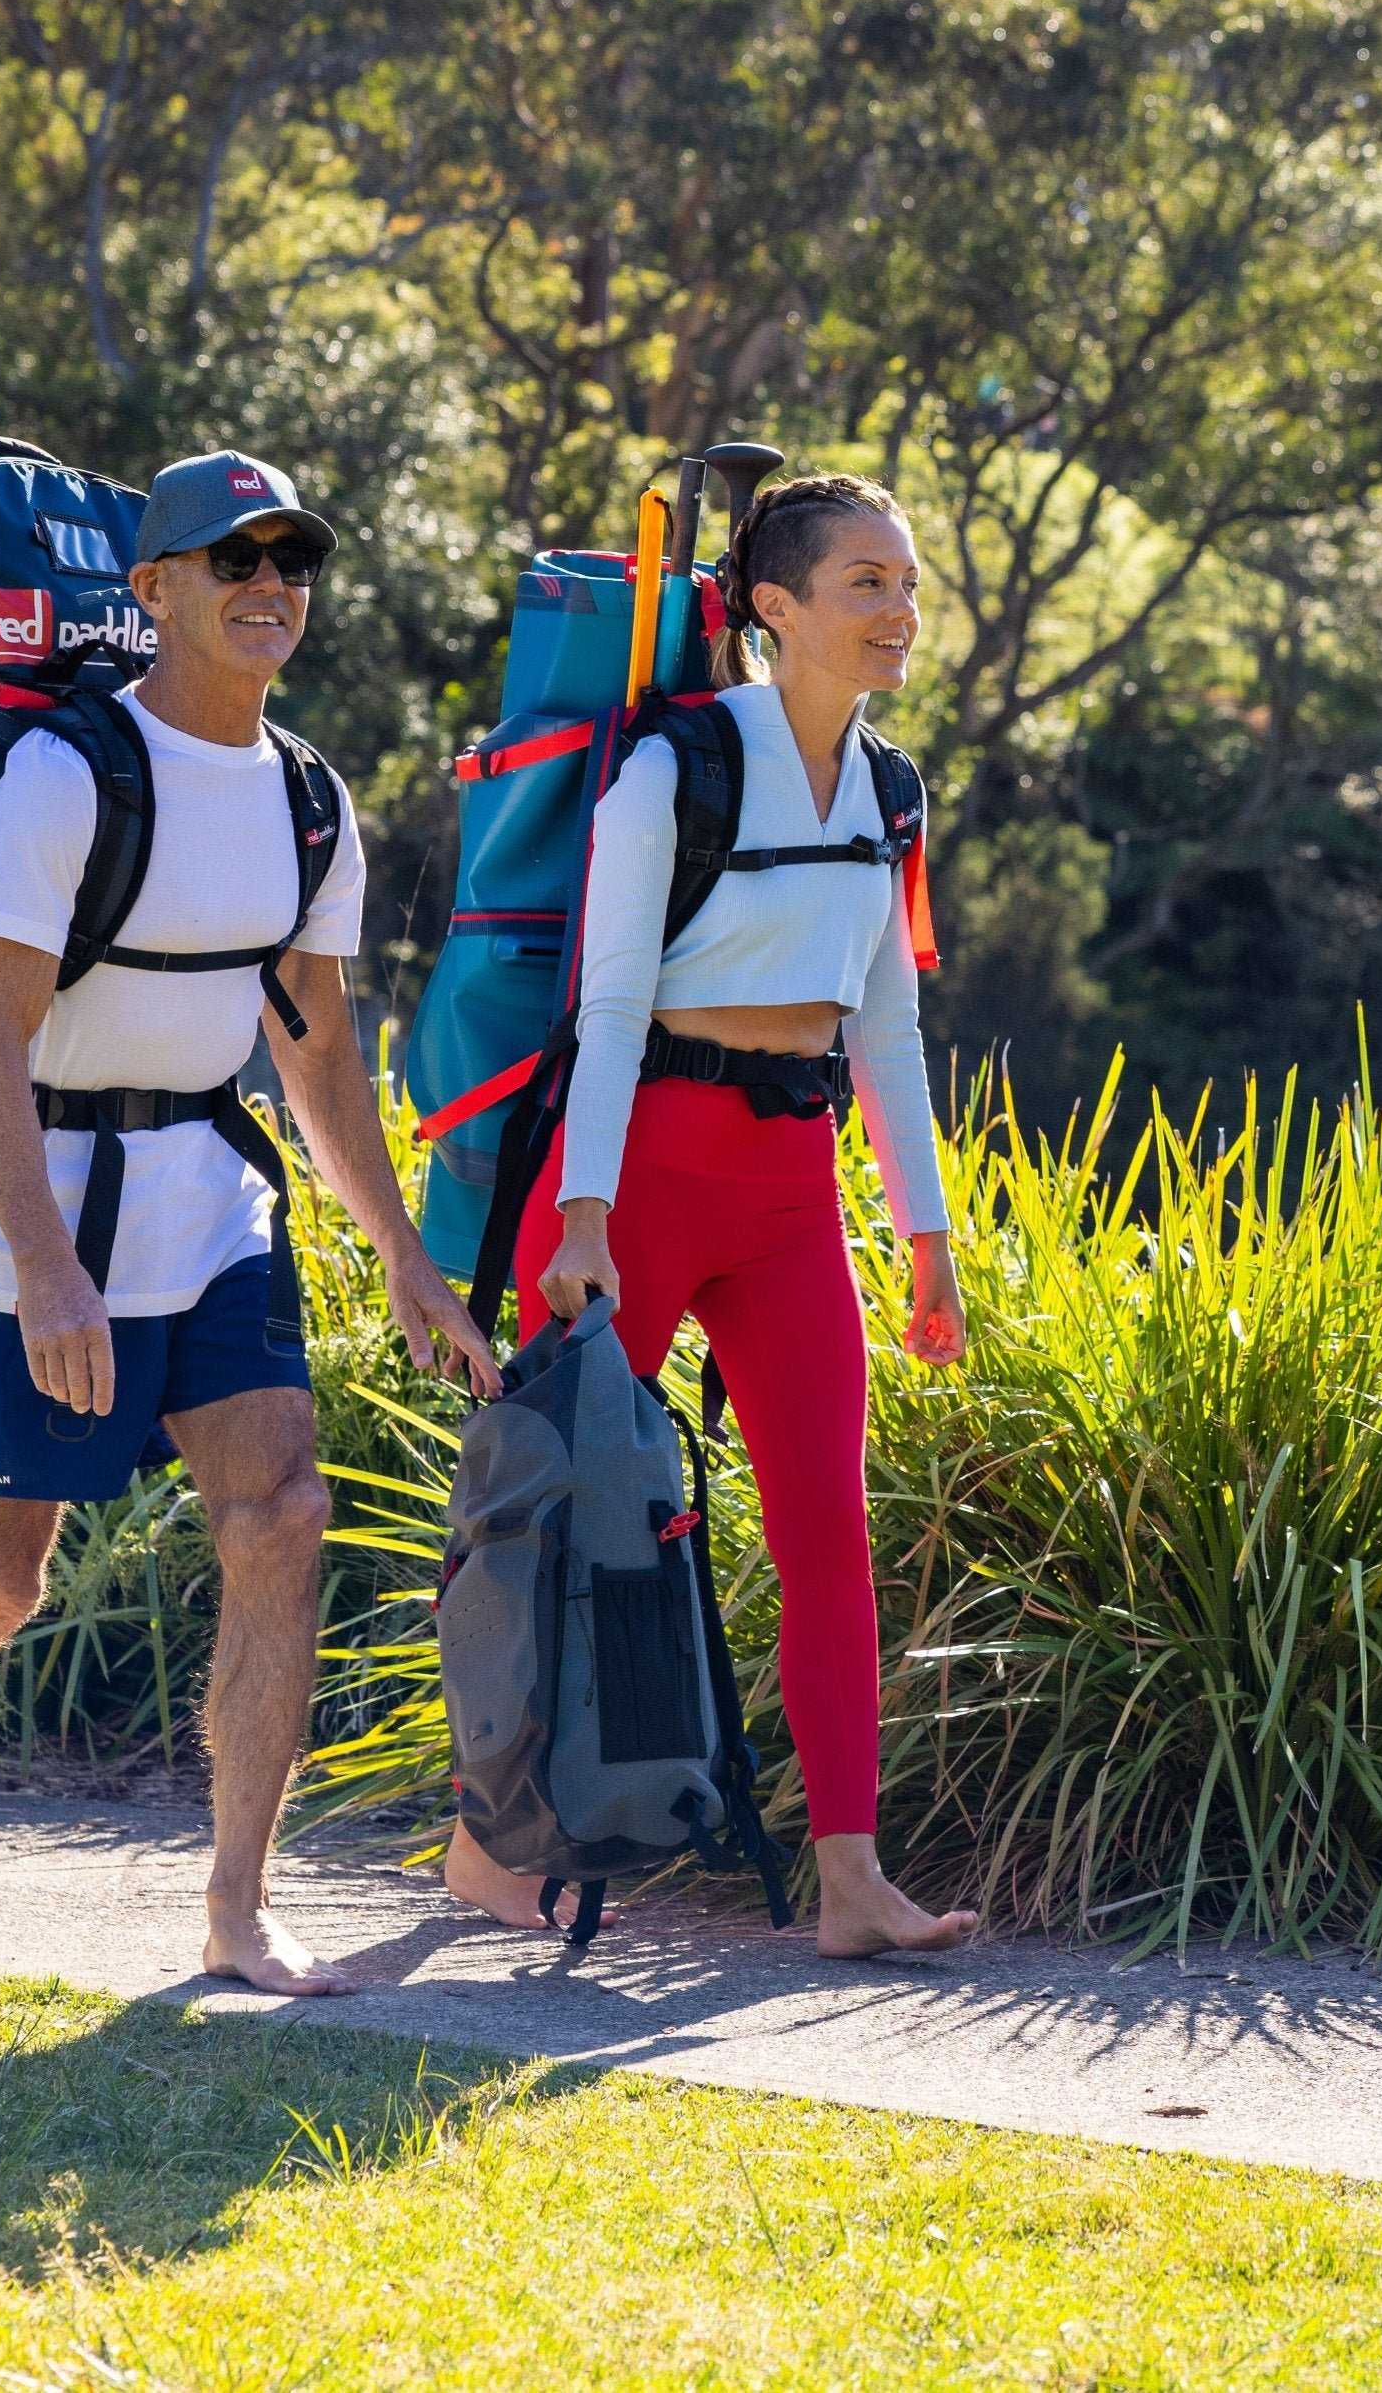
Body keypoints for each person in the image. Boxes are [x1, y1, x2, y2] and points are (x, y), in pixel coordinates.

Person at [0, 449, 503, 1989]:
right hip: (45, 1204)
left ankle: (236, 1904)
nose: (270, 583)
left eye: (291, 557)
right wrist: (42, 1269)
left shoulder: (306, 799)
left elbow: (319, 1054)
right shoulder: (64, 778)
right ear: (150, 589)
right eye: (234, 559)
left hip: (206, 1206)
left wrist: (405, 1256)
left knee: (281, 1514)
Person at [452, 469, 980, 1959]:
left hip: (788, 1191)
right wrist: (588, 1217)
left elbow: (885, 1031)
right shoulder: (668, 772)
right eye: (865, 581)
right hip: (633, 1182)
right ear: (774, 608)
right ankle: (485, 1841)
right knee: (568, 1517)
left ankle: (853, 1879)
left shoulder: (886, 787)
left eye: (907, 581)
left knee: (829, 1530)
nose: (898, 609)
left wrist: (926, 1234)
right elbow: (608, 1005)